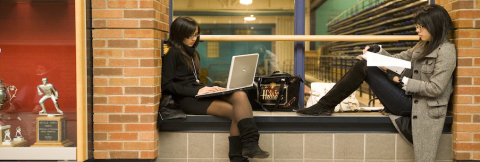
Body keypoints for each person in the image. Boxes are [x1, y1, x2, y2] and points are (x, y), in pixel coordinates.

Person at [297, 4, 455, 162]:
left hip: (420, 107)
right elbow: (399, 58)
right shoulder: (423, 45)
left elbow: (436, 88)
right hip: (409, 97)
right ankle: (325, 105)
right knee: (364, 64)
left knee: (364, 67)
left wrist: (403, 81)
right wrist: (377, 51)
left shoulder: (446, 51)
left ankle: (324, 106)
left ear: (435, 26)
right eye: (416, 26)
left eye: (421, 27)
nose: (417, 30)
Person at [161, 16, 269, 161]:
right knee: (236, 112)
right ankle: (238, 155)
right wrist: (197, 91)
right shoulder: (173, 53)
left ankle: (250, 144)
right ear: (179, 34)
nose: (194, 38)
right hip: (187, 99)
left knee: (240, 95)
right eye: (190, 35)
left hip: (198, 93)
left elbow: (193, 81)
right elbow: (167, 85)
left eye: (196, 34)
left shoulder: (193, 53)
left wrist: (211, 88)